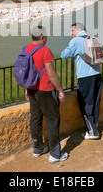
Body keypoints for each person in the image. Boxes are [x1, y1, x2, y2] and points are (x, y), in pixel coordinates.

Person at [24, 25, 68, 164]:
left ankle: (38, 148)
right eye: (46, 36)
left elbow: (25, 72)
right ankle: (55, 154)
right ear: (42, 37)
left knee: (35, 119)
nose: (47, 38)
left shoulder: (25, 49)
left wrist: (26, 88)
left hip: (32, 89)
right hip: (46, 90)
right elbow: (51, 74)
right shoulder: (45, 50)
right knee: (52, 120)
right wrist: (60, 90)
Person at [60, 22, 102, 140]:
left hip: (85, 76)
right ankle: (95, 125)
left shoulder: (76, 41)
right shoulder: (93, 38)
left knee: (85, 103)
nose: (71, 33)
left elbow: (64, 55)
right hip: (97, 74)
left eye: (72, 30)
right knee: (95, 101)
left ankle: (93, 131)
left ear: (78, 30)